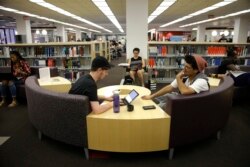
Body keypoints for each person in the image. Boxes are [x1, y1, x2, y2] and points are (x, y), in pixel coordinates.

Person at [142, 55, 210, 110]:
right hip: (181, 98)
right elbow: (170, 87)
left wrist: (178, 78)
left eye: (187, 67)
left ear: (196, 70)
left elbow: (184, 91)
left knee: (160, 107)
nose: (184, 69)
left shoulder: (201, 81)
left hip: (189, 106)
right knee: (156, 98)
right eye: (184, 66)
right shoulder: (186, 75)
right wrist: (151, 96)